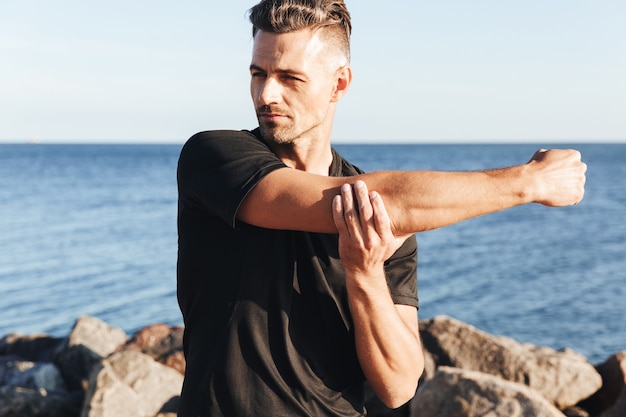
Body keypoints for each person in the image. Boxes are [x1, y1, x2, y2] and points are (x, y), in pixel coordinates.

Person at [176, 0, 587, 416]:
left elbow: (398, 385)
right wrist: (532, 181)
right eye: (258, 73)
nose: (266, 94)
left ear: (339, 84)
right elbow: (375, 203)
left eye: (289, 78)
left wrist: (364, 273)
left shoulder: (389, 227)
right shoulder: (213, 157)